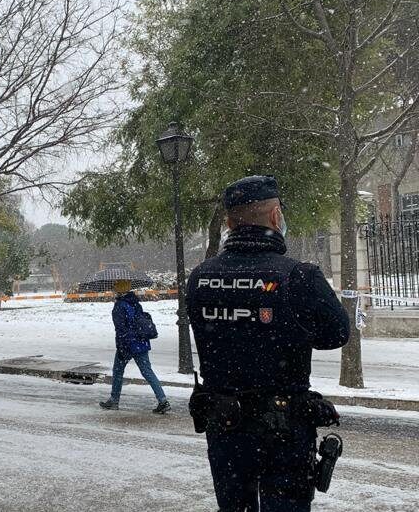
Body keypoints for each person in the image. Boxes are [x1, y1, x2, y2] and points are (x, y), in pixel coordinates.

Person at [186, 175, 350, 512]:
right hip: (283, 432)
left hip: (225, 429)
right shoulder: (299, 276)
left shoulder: (200, 277)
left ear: (230, 223)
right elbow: (336, 334)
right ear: (276, 217)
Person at [99, 279, 171, 414]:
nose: (113, 289)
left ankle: (114, 400)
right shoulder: (135, 302)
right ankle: (163, 400)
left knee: (118, 372)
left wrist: (122, 347)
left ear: (119, 289)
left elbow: (121, 329)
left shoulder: (120, 306)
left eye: (115, 287)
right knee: (147, 372)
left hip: (127, 344)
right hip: (141, 342)